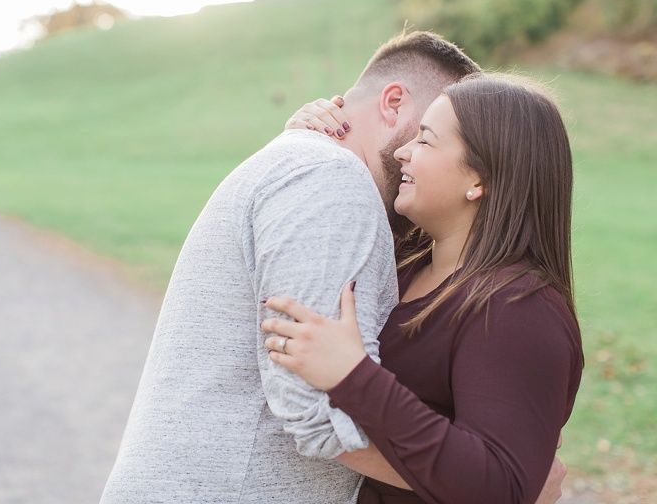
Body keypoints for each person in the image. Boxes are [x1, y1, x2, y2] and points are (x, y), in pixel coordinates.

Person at [100, 31, 483, 503]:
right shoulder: (332, 180)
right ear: (393, 103)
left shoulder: (306, 165)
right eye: (427, 135)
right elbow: (322, 413)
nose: (417, 156)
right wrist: (493, 485)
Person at [261, 74, 584, 503]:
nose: (403, 151)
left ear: (480, 178)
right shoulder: (406, 262)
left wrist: (353, 376)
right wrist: (301, 142)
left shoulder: (518, 308)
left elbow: (501, 487)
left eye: (426, 141)